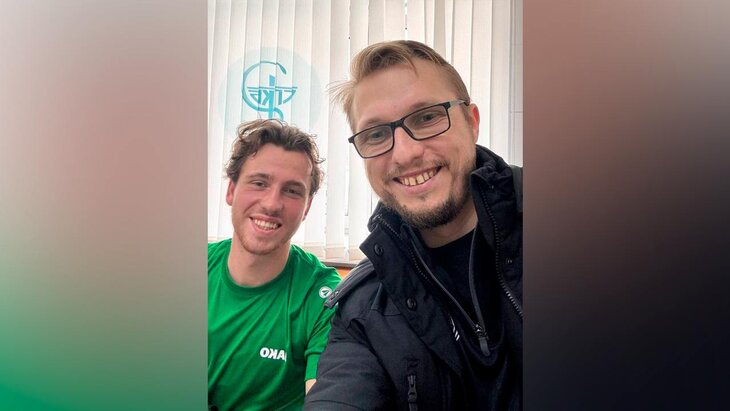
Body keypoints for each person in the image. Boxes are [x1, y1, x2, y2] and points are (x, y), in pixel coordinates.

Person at [305, 40, 523, 410]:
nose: (405, 153)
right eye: (376, 134)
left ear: (472, 122)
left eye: (426, 117)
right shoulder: (362, 307)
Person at [208, 119, 341, 411]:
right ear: (231, 190)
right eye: (259, 183)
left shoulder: (325, 299)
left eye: (292, 191)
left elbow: (329, 399)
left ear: (306, 207)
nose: (271, 204)